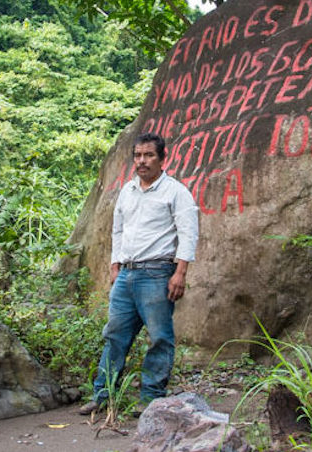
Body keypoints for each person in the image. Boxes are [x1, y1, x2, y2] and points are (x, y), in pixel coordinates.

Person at [79, 132, 199, 415]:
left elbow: (188, 233)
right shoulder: (128, 191)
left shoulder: (175, 192)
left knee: (159, 337)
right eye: (138, 156)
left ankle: (151, 400)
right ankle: (103, 395)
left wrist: (180, 272)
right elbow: (118, 229)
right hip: (126, 275)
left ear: (162, 158)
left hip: (158, 273)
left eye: (149, 155)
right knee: (114, 335)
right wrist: (114, 266)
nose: (142, 161)